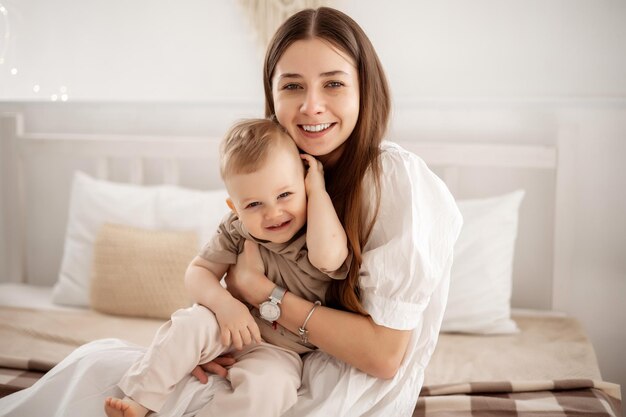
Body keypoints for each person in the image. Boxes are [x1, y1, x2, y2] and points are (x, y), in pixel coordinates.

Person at [0, 6, 462, 417]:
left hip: (334, 390)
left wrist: (261, 294)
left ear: (366, 88)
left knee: (92, 371)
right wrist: (217, 329)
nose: (311, 105)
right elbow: (206, 276)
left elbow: (384, 356)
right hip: (244, 348)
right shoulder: (276, 176)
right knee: (91, 364)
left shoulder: (393, 179)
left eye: (334, 83)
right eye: (292, 86)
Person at [104, 118, 350, 417]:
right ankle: (140, 399)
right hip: (225, 326)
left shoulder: (318, 230)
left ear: (305, 185)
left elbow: (329, 258)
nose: (273, 213)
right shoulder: (236, 230)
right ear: (234, 207)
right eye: (253, 205)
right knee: (190, 324)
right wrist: (224, 306)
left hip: (280, 350)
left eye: (285, 195)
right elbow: (198, 272)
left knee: (272, 389)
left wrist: (318, 191)